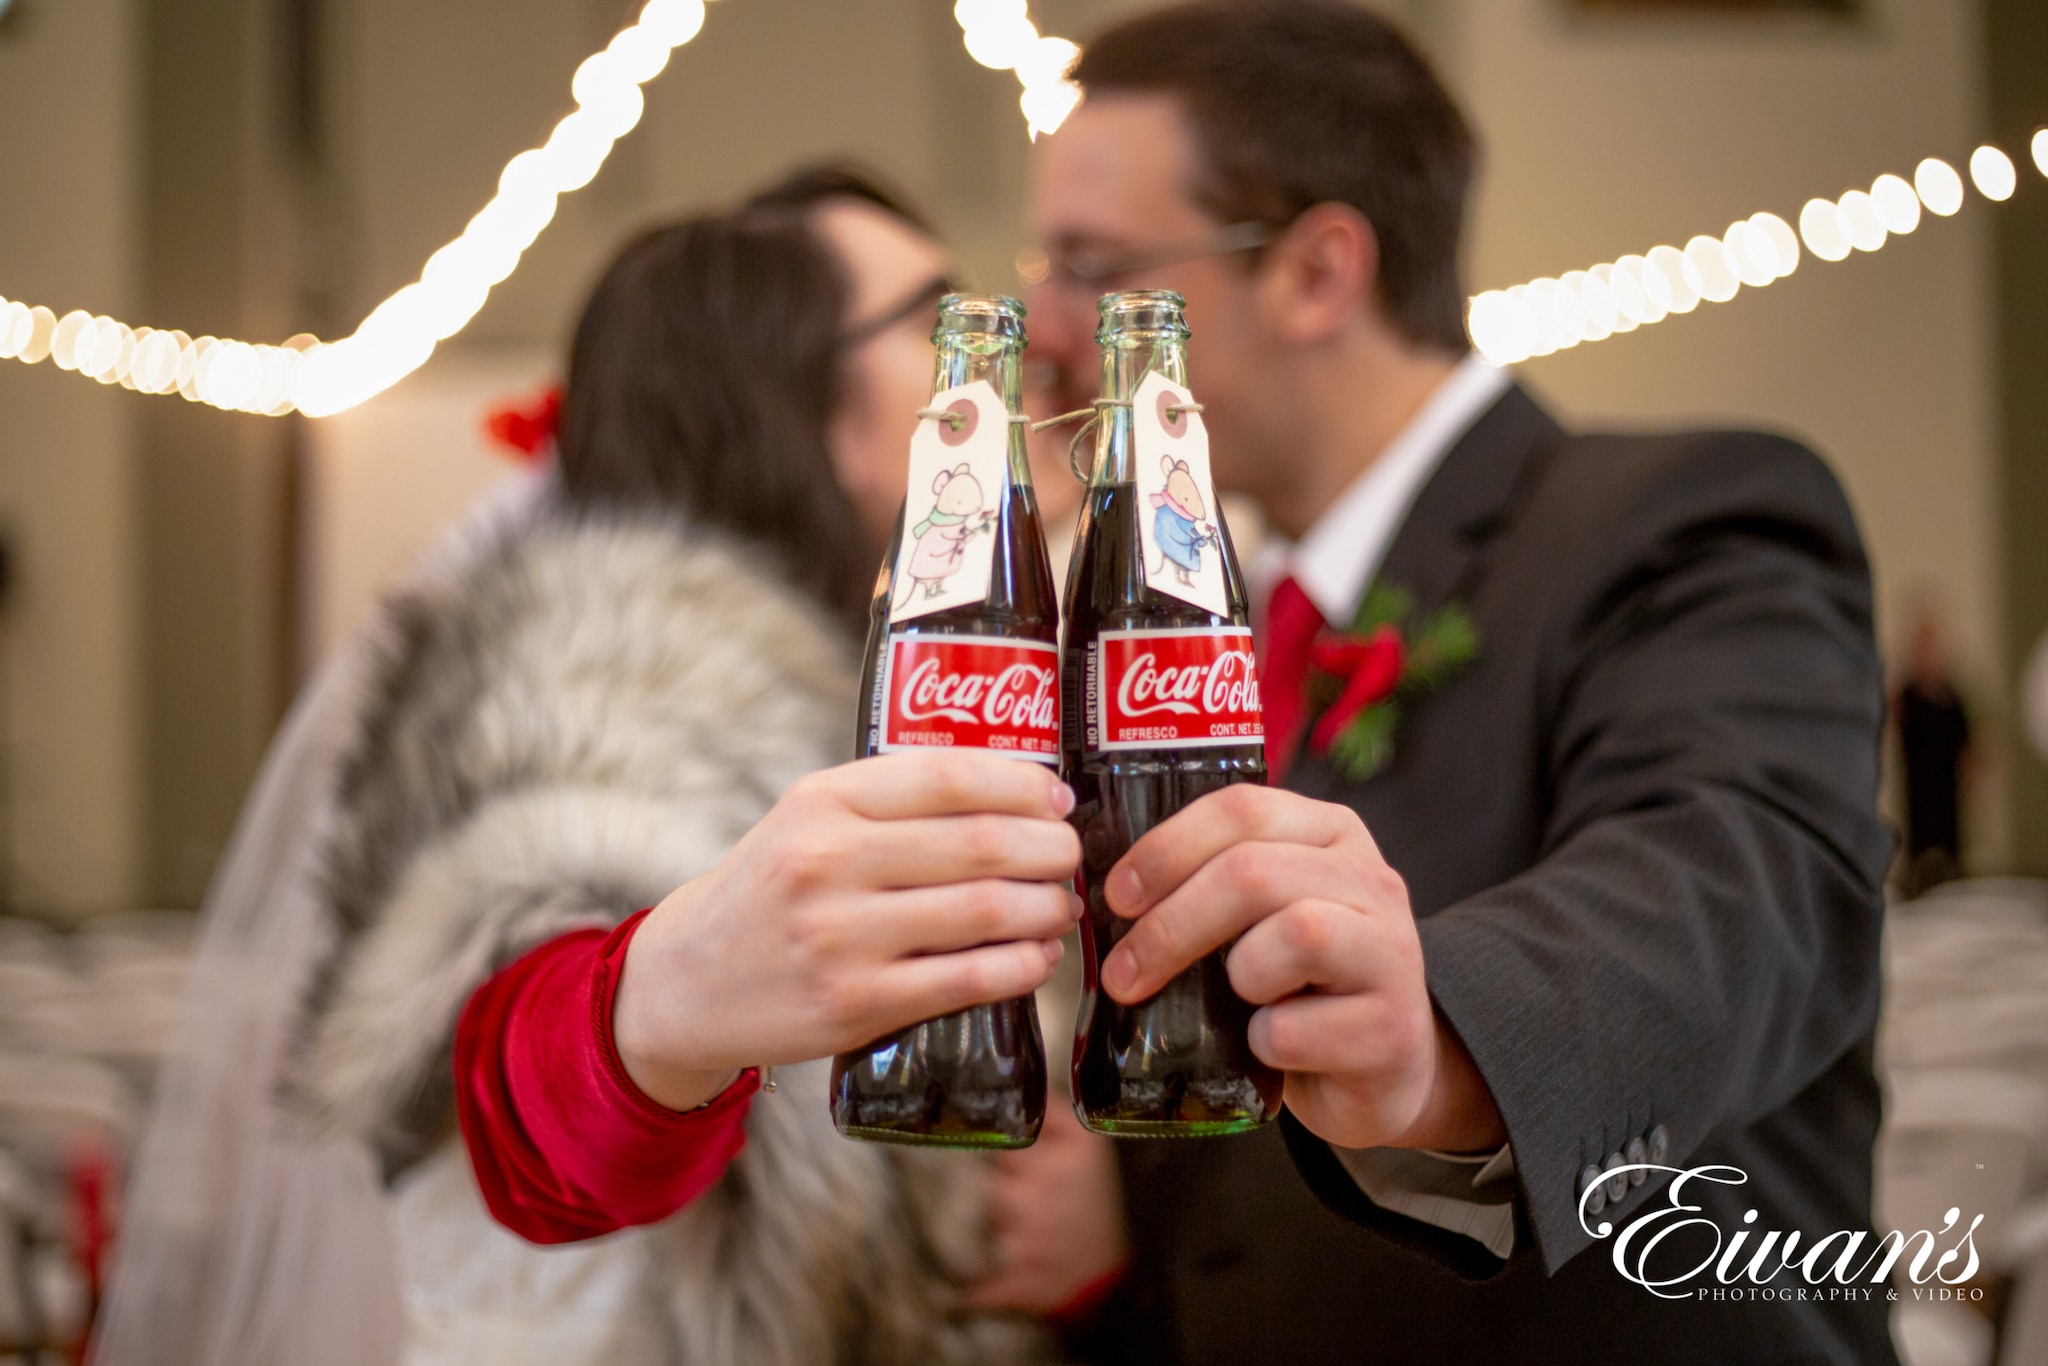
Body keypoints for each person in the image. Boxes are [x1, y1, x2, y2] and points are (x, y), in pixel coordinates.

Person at [996, 3, 1895, 1362]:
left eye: (1099, 271)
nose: (1050, 325)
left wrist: (1439, 1040)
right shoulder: (1193, 603)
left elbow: (1743, 883)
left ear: (1318, 272)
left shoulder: (1685, 514)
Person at [92, 167, 1082, 1366]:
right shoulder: (592, 700)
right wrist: (658, 1001)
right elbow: (513, 1077)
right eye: (938, 319)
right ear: (784, 408)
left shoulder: (899, 672)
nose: (1007, 354)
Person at [1893, 601, 1972, 891]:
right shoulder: (1907, 695)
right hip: (1918, 785)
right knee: (1920, 838)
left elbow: (1969, 743)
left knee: (1950, 840)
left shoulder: (1952, 698)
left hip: (1947, 785)